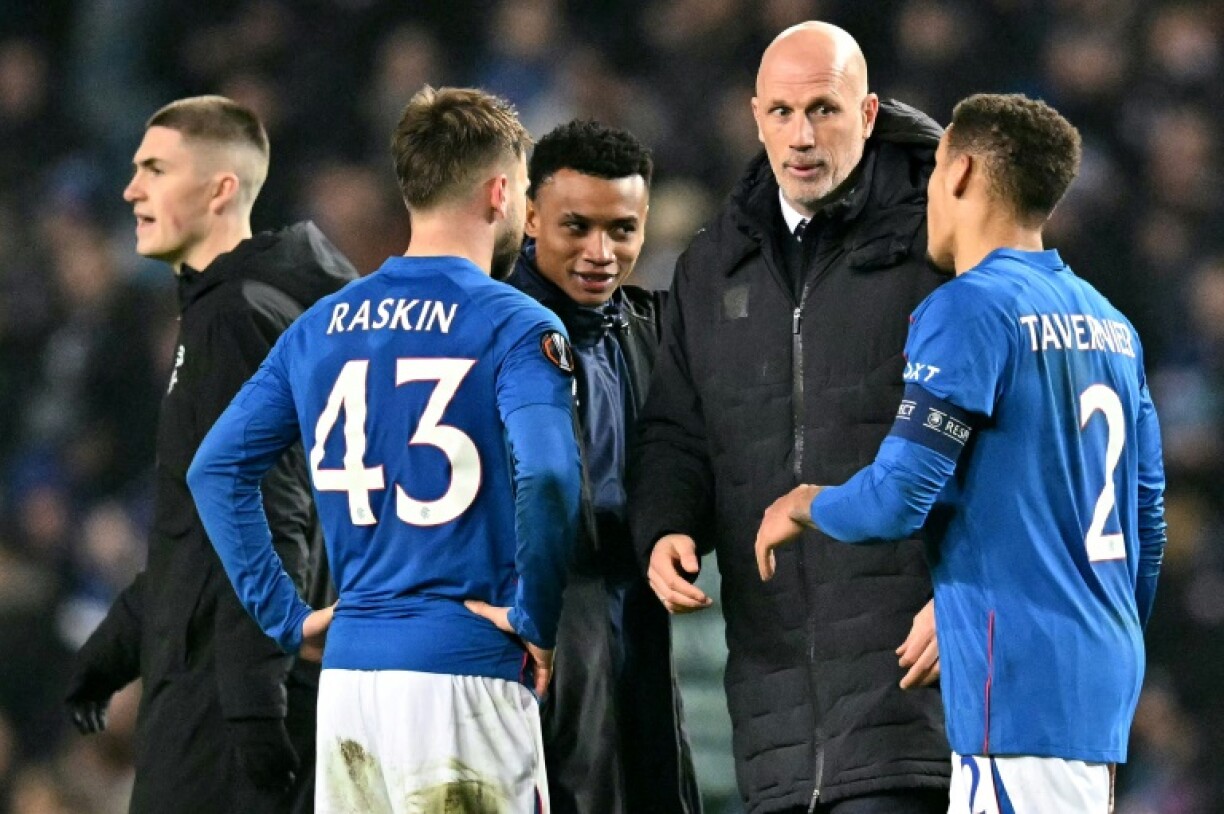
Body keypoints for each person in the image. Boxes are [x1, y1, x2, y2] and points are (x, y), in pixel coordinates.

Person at [754, 93, 1167, 814]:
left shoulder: (969, 307)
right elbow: (1147, 524)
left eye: (933, 172)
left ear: (962, 171)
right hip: (1098, 685)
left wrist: (805, 503)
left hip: (1016, 693)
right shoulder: (1112, 325)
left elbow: (897, 496)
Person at [186, 86, 581, 814]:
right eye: (525, 191)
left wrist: (285, 615)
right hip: (465, 678)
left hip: (351, 690)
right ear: (499, 192)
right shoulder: (514, 324)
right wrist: (535, 617)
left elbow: (215, 470)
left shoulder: (321, 328)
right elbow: (552, 476)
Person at [630, 21, 952, 813]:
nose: (800, 136)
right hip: (773, 718)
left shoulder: (938, 248)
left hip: (911, 693)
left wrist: (970, 597)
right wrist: (668, 523)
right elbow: (678, 427)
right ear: (753, 116)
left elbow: (1003, 436)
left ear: (870, 114)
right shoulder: (713, 266)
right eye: (780, 112)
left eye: (824, 110)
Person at [63, 96, 358, 813]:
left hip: (222, 714)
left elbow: (268, 511)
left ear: (222, 189)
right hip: (218, 690)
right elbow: (193, 538)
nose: (132, 189)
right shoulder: (244, 307)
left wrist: (256, 707)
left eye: (156, 169)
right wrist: (110, 654)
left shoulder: (236, 316)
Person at [506, 119, 702, 814]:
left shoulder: (654, 333)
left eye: (622, 230)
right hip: (535, 643)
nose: (601, 252)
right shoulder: (489, 333)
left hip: (637, 635)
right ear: (530, 217)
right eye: (577, 227)